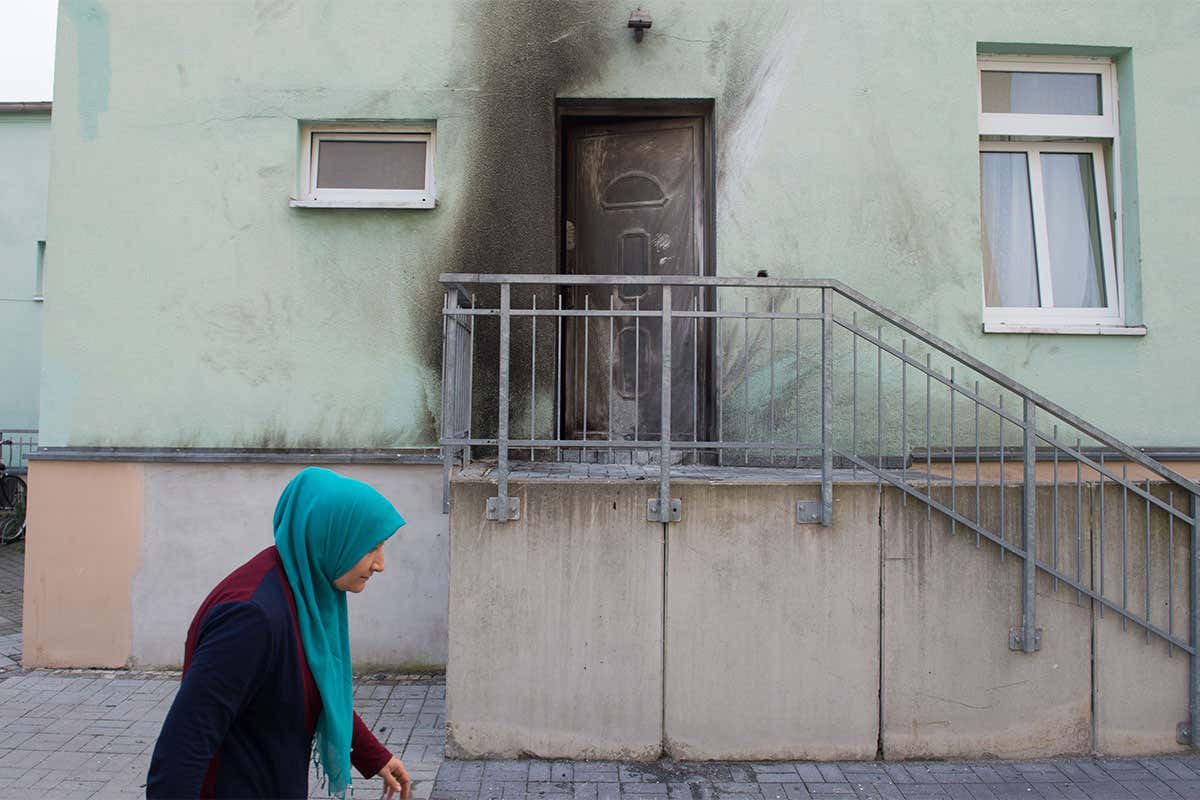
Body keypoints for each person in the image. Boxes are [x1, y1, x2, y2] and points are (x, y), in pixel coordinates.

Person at [147, 467, 412, 799]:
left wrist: (373, 755)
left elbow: (315, 682)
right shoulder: (251, 617)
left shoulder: (303, 590)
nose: (380, 564)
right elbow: (183, 746)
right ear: (332, 537)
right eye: (370, 547)